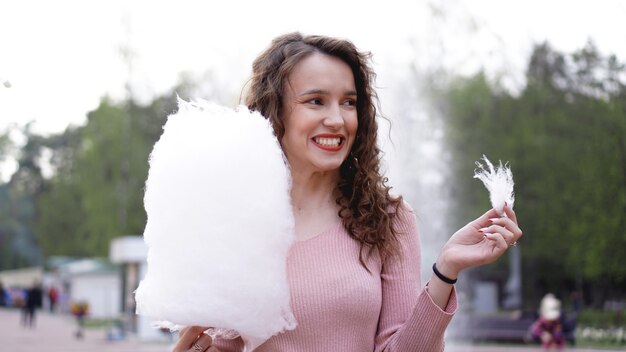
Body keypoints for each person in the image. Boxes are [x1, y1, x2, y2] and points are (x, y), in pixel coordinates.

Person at [173, 32, 523, 352]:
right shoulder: (235, 222)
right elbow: (223, 345)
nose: (338, 120)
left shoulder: (388, 219)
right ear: (274, 110)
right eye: (316, 101)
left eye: (349, 102)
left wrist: (446, 269)